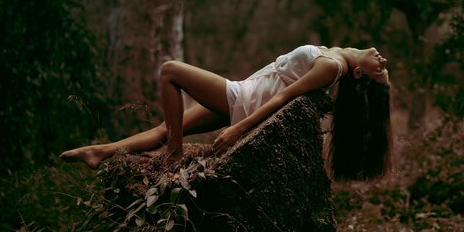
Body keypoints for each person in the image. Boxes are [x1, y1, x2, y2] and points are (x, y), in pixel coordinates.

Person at [60, 45, 392, 180]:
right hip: (243, 95)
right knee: (165, 128)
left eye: (380, 71)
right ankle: (99, 151)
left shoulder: (332, 67)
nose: (383, 60)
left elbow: (283, 97)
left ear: (359, 75)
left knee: (169, 70)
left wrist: (237, 129)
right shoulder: (335, 57)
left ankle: (173, 155)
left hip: (244, 99)